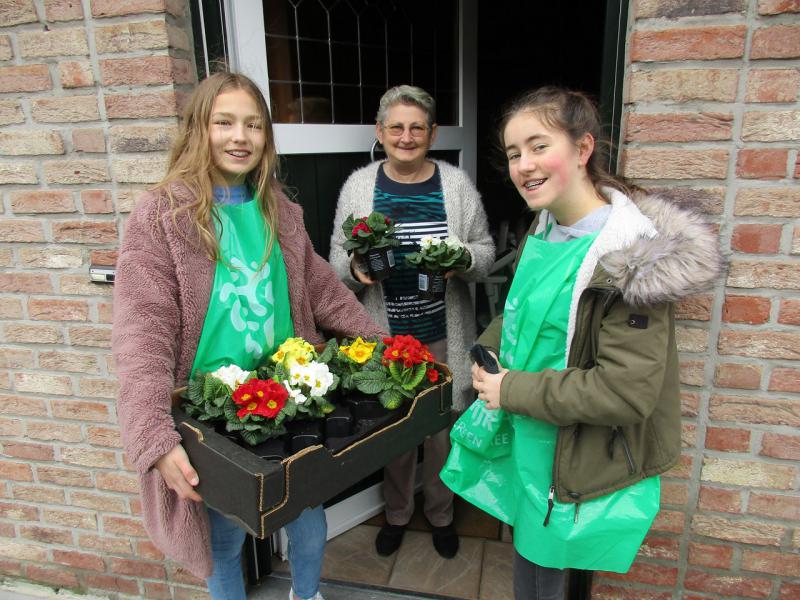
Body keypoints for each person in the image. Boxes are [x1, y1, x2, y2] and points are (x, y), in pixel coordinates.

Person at [112, 72, 383, 600]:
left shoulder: (279, 210)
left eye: (253, 125)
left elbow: (324, 291)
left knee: (307, 520)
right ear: (198, 129)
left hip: (290, 396)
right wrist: (155, 439)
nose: (240, 136)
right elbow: (141, 334)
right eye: (225, 122)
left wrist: (381, 345)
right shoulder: (162, 216)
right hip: (213, 415)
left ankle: (307, 596)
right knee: (222, 539)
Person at [465, 87, 723, 599]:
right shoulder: (546, 228)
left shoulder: (627, 258)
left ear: (583, 149)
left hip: (577, 453)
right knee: (530, 561)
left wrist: (510, 390)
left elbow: (626, 392)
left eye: (539, 146)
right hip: (533, 438)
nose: (523, 165)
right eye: (514, 153)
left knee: (554, 578)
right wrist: (488, 350)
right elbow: (521, 313)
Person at [329, 85, 495, 559]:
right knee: (394, 435)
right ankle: (398, 512)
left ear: (432, 133)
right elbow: (336, 261)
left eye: (417, 127)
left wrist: (459, 258)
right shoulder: (360, 186)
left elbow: (484, 254)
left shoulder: (455, 184)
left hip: (442, 334)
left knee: (441, 432)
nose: (406, 136)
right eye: (396, 127)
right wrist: (357, 271)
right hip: (386, 341)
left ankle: (441, 513)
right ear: (380, 132)